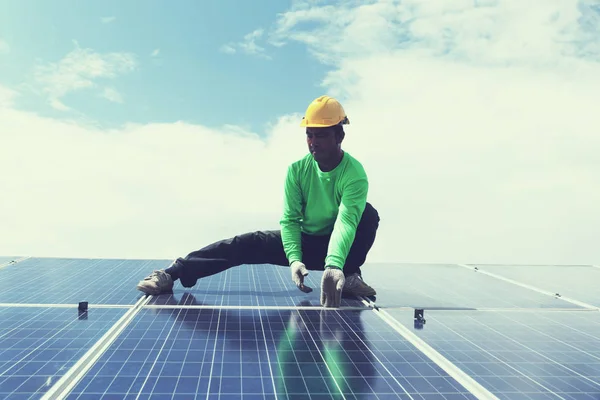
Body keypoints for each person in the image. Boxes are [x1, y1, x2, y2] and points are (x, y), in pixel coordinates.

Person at [136, 95, 380, 307]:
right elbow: (290, 220)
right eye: (309, 134)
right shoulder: (297, 171)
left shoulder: (354, 174)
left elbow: (346, 222)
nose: (314, 142)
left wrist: (335, 265)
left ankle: (347, 276)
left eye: (322, 135)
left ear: (340, 135)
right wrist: (295, 259)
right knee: (246, 243)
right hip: (305, 242)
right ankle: (172, 274)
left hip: (337, 246)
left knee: (367, 215)